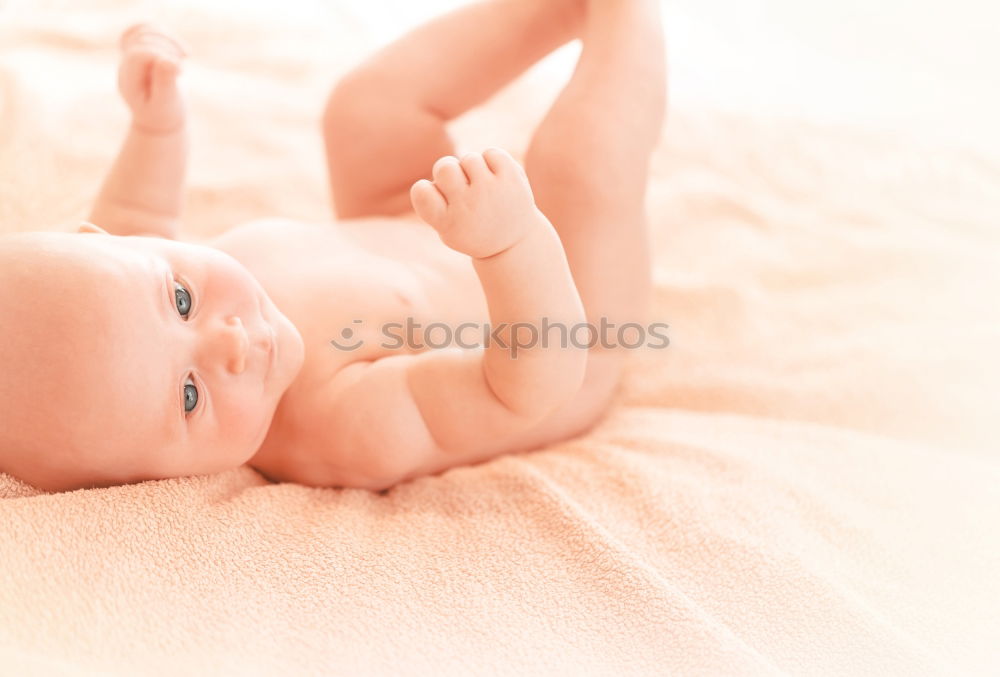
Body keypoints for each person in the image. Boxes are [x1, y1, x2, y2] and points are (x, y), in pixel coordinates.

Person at [0, 0, 666, 492]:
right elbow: (518, 390)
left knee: (363, 110)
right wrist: (511, 244)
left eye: (178, 298)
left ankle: (562, 9)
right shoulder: (338, 426)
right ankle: (627, 15)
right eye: (190, 396)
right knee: (580, 165)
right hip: (563, 317)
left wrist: (156, 124)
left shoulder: (141, 307)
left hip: (415, 224)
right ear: (148, 479)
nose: (228, 341)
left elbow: (138, 215)